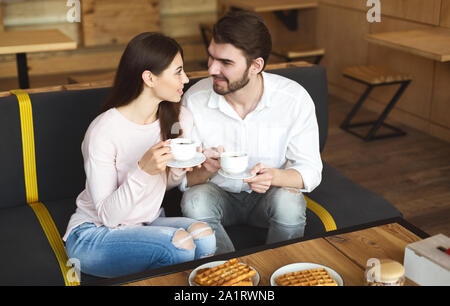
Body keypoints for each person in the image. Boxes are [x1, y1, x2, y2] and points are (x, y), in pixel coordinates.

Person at [63, 32, 216, 278]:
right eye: (178, 71)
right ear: (149, 78)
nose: (186, 79)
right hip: (95, 233)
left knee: (204, 237)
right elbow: (109, 216)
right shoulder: (103, 130)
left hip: (144, 223)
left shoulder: (179, 118)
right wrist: (143, 170)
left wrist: (183, 167)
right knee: (179, 244)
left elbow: (165, 184)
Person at [180, 11, 323, 254]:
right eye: (211, 57)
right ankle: (231, 276)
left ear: (256, 65)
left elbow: (310, 171)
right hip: (218, 197)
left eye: (226, 63)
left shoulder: (294, 99)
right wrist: (205, 169)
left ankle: (279, 270)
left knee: (290, 201)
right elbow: (184, 179)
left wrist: (273, 176)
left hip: (268, 198)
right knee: (194, 201)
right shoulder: (194, 99)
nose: (212, 69)